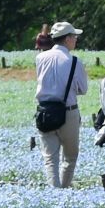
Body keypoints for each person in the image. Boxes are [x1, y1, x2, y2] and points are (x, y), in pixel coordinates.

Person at [34, 21, 89, 189]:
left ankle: (54, 192)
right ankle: (63, 192)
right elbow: (83, 89)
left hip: (45, 112)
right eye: (74, 37)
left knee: (50, 158)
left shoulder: (40, 58)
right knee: (70, 157)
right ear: (67, 39)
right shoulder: (75, 62)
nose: (76, 40)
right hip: (68, 112)